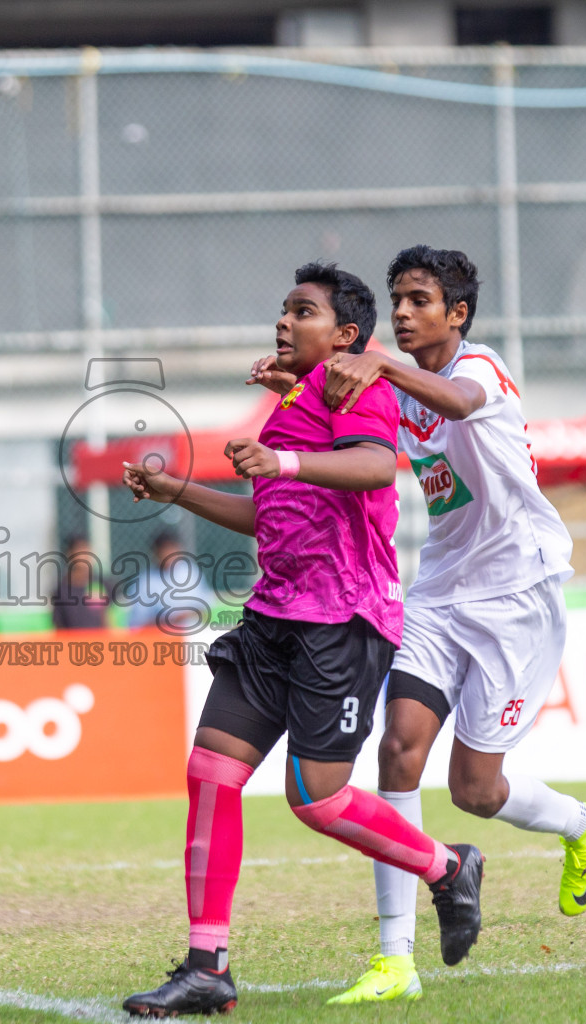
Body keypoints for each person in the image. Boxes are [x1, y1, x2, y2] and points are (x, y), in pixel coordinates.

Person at [119, 262, 485, 1019]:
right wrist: (176, 489)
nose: (283, 323)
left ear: (347, 336)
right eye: (283, 310)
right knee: (211, 771)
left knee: (316, 801)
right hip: (274, 619)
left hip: (342, 622)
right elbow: (270, 518)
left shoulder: (359, 387)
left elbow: (378, 466)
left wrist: (283, 457)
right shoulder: (291, 401)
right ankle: (207, 964)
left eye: (302, 312)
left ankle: (448, 868)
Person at [255, 245, 586, 1005]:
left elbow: (454, 402)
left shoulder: (480, 369)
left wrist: (379, 362)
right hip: (442, 591)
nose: (406, 312)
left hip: (519, 592)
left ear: (457, 314)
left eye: (421, 300)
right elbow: (355, 436)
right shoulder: (397, 385)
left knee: (477, 791)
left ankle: (582, 823)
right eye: (398, 300)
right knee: (397, 750)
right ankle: (396, 961)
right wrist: (299, 387)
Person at [123, 531, 214, 632]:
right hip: (159, 638)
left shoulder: (191, 572)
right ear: (156, 553)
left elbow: (204, 610)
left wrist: (187, 615)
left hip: (191, 636)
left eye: (172, 549)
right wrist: (170, 621)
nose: (169, 555)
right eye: (164, 551)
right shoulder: (145, 581)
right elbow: (138, 624)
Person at [50, 533, 110, 630]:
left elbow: (108, 619)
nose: (85, 557)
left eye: (87, 552)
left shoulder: (101, 584)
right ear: (70, 554)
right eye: (80, 552)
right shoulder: (62, 590)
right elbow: (59, 625)